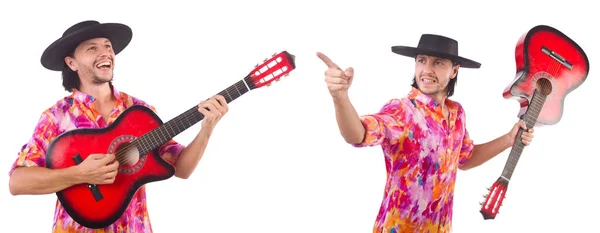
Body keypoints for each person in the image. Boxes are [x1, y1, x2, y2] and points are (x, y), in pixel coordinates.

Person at [8, 20, 228, 232]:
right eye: (92, 48)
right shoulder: (56, 117)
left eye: (108, 46)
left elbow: (182, 169)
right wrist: (79, 174)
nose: (105, 52)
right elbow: (17, 183)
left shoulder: (140, 111)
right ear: (71, 63)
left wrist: (206, 130)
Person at [317, 34, 535, 233]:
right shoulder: (403, 110)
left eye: (437, 63)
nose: (427, 69)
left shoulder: (456, 113)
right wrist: (340, 97)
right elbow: (358, 134)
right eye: (422, 60)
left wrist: (508, 139)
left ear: (454, 70)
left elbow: (465, 159)